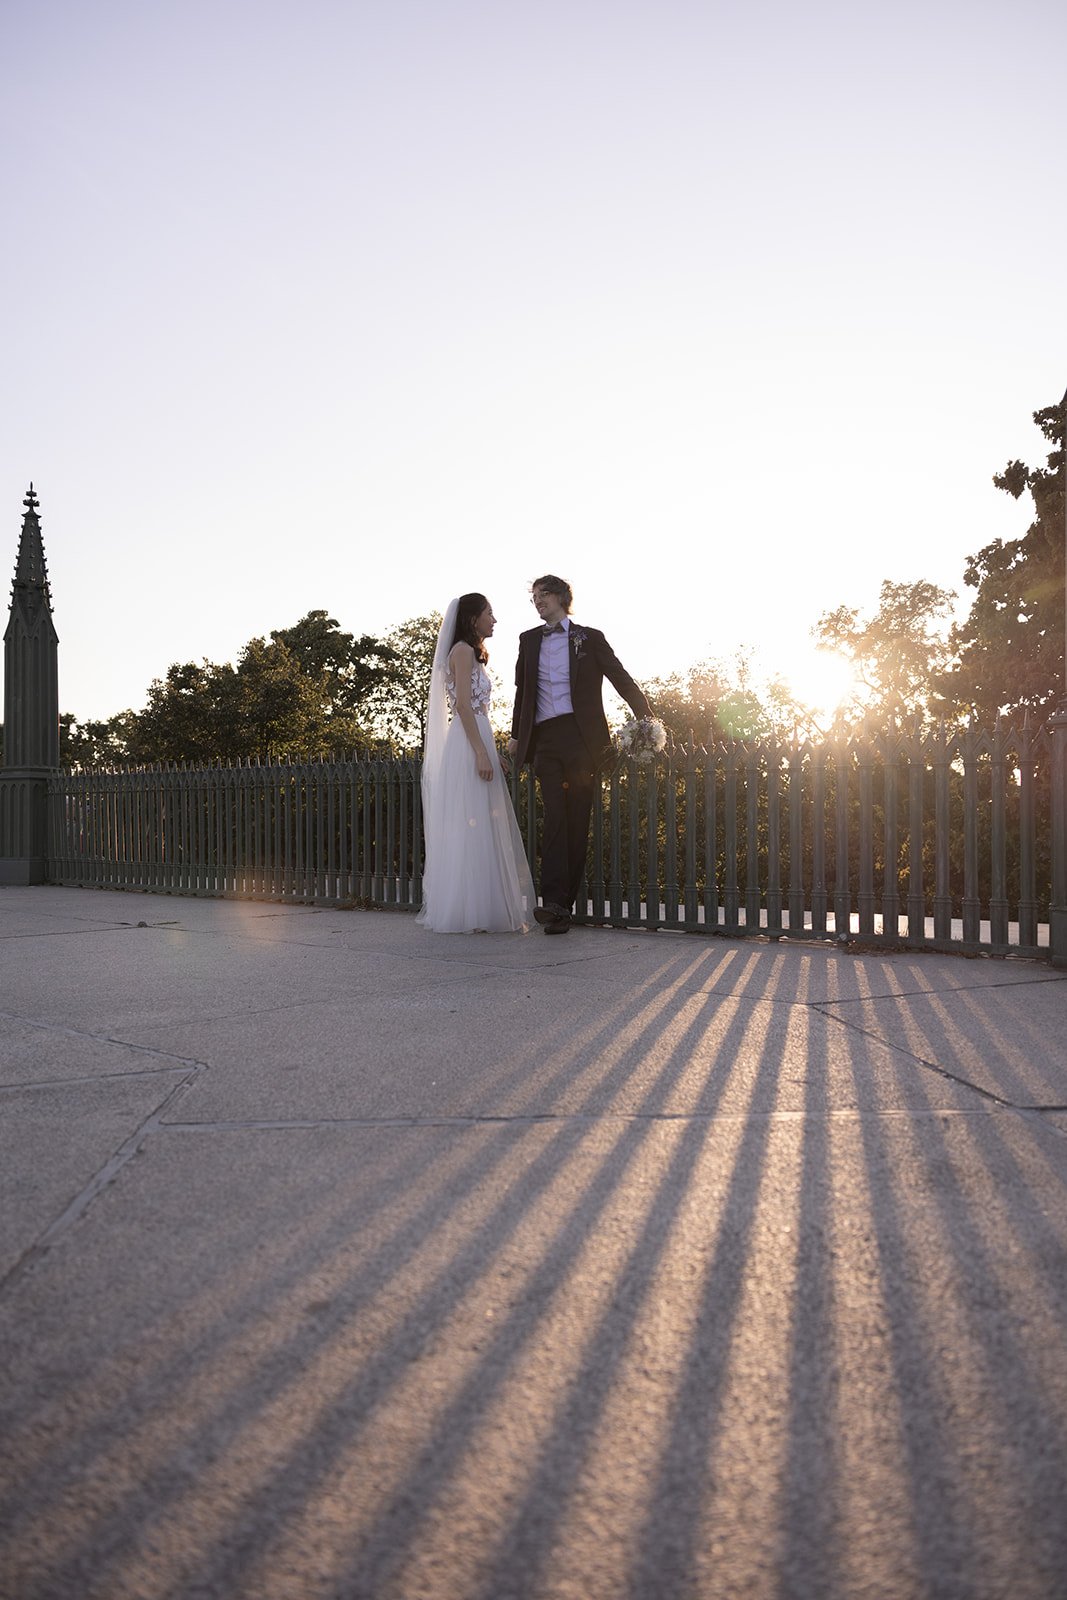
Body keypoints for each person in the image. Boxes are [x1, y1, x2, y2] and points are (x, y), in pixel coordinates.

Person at [507, 574, 651, 934]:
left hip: (582, 740)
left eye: (543, 596)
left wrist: (646, 717)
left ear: (560, 597)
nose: (537, 602)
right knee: (555, 817)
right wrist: (515, 736)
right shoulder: (528, 641)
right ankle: (553, 901)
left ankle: (561, 908)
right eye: (534, 598)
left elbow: (620, 677)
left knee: (577, 820)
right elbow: (523, 692)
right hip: (545, 741)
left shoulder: (590, 638)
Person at [417, 594, 535, 934]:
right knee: (473, 823)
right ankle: (470, 912)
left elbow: (477, 712)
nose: (494, 620)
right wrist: (481, 753)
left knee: (480, 822)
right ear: (472, 619)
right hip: (469, 744)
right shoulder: (463, 651)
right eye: (489, 614)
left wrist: (490, 750)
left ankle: (482, 910)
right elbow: (464, 707)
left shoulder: (472, 653)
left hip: (476, 738)